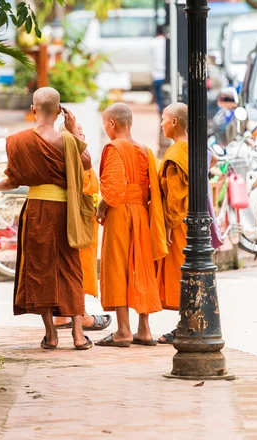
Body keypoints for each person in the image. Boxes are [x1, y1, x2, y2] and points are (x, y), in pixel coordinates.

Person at [0, 87, 93, 350]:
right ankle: (79, 336)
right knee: (70, 269)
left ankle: (51, 335)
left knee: (40, 271)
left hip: (36, 210)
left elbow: (13, 181)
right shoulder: (68, 141)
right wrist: (74, 130)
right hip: (65, 212)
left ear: (33, 109)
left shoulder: (19, 140)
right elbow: (86, 163)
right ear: (60, 111)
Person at [95, 103, 168, 347]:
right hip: (142, 212)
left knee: (118, 267)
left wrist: (102, 205)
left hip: (120, 213)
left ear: (112, 124)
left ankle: (123, 331)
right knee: (141, 266)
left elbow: (114, 190)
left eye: (105, 123)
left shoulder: (113, 147)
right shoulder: (145, 149)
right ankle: (144, 329)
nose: (105, 128)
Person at [53, 123, 112, 332]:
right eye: (78, 133)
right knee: (77, 267)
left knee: (65, 266)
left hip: (68, 220)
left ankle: (61, 316)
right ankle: (83, 316)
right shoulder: (75, 159)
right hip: (78, 223)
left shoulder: (61, 158)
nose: (83, 136)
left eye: (82, 132)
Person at [156, 102, 188, 344]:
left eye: (164, 119)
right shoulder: (193, 149)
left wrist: (168, 223)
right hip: (193, 220)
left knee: (182, 272)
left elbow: (175, 195)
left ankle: (186, 324)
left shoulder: (176, 153)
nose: (161, 124)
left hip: (180, 223)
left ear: (174, 122)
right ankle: (188, 322)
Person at [151, 25, 167, 114]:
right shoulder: (167, 42)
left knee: (160, 101)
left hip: (157, 75)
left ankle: (161, 118)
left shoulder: (153, 43)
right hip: (165, 75)